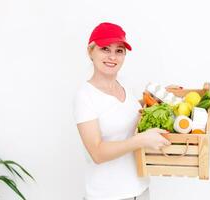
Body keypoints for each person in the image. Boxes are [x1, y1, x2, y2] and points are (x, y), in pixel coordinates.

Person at [73, 22, 171, 200]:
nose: (112, 57)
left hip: (140, 190)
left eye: (119, 50)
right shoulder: (85, 96)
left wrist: (160, 98)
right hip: (109, 195)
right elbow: (97, 152)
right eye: (105, 49)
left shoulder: (123, 83)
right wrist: (140, 140)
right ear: (91, 52)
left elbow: (123, 113)